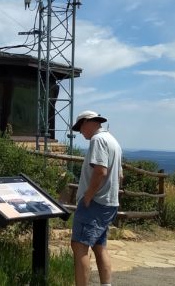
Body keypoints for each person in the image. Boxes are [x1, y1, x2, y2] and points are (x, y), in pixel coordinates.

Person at [70, 110, 123, 286]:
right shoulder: (113, 141)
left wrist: (88, 196)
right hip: (108, 203)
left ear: (86, 122)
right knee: (100, 246)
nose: (80, 133)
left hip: (95, 203)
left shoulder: (98, 140)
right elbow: (120, 176)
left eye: (80, 128)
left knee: (79, 246)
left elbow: (100, 171)